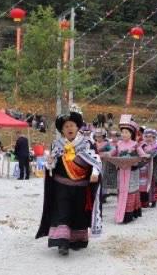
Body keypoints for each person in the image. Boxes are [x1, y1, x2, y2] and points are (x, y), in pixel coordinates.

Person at [36, 110, 102, 256]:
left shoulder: (87, 144)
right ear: (62, 130)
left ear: (77, 127)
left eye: (72, 125)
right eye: (66, 126)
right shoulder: (57, 144)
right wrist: (50, 163)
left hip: (81, 187)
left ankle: (77, 240)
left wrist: (95, 173)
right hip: (61, 187)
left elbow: (96, 162)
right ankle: (62, 243)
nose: (69, 128)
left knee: (78, 213)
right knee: (62, 213)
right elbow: (51, 166)